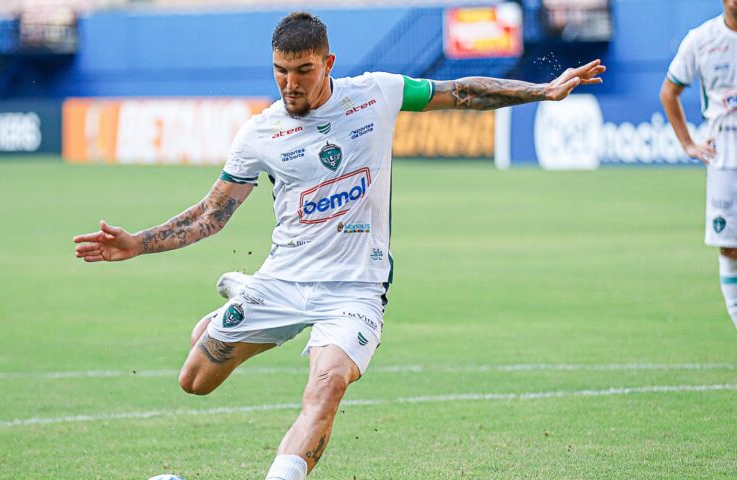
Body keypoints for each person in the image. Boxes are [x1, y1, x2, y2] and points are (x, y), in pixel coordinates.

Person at [73, 12, 605, 480]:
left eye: (303, 71)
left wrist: (543, 90)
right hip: (283, 280)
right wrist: (137, 244)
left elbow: (460, 92)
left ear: (328, 63)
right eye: (280, 71)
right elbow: (212, 215)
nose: (290, 84)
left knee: (326, 384)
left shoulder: (376, 93)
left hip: (354, 286)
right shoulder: (259, 133)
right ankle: (243, 295)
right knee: (195, 382)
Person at [660, 0, 737, 329]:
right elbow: (668, 92)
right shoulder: (701, 39)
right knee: (730, 250)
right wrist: (688, 143)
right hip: (725, 160)